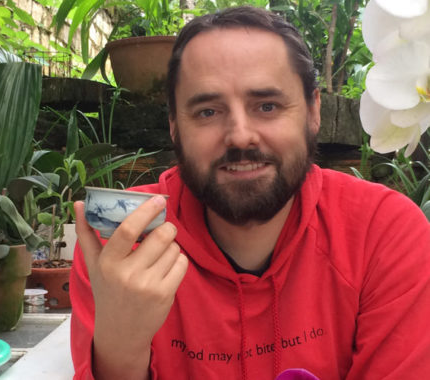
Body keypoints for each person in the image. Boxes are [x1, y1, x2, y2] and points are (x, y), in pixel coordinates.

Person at [70, 6, 430, 380]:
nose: (240, 135)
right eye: (208, 112)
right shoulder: (121, 241)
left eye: (268, 106)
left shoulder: (382, 233)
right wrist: (120, 347)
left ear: (313, 112)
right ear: (174, 126)